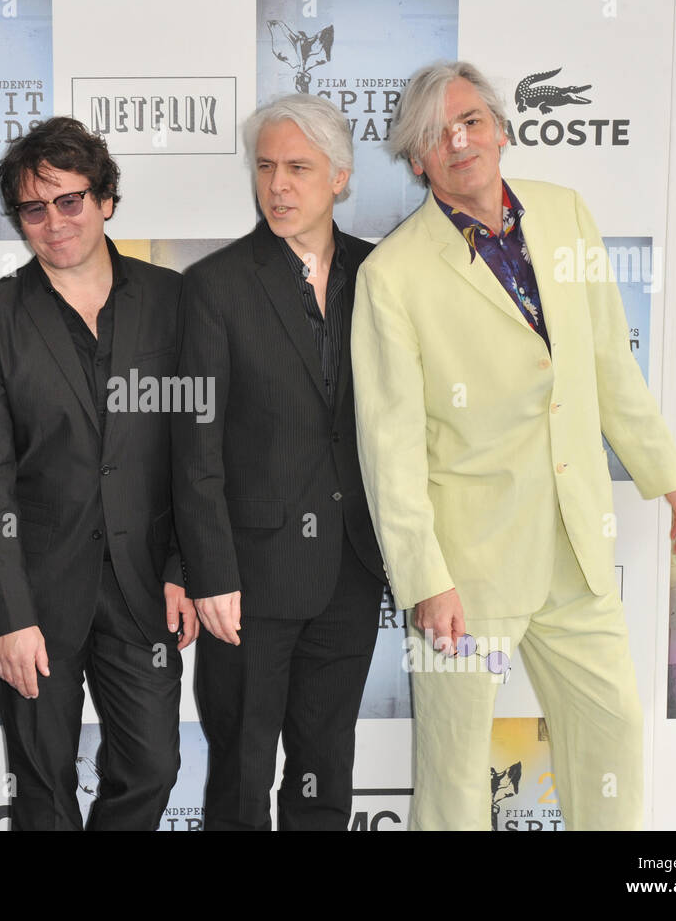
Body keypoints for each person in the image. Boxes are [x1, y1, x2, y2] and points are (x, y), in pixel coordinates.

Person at [352, 60, 676, 830]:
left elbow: (610, 362)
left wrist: (668, 476)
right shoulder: (392, 275)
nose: (460, 140)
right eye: (437, 135)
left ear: (501, 129)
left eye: (472, 120)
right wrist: (424, 579)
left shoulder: (565, 213)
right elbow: (391, 448)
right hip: (465, 569)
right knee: (452, 775)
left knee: (611, 732)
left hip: (575, 542)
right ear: (417, 161)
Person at [0, 116, 197, 831]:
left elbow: (193, 453)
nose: (54, 221)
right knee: (42, 786)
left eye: (70, 200)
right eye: (34, 207)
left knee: (152, 766)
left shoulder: (174, 301)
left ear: (106, 200)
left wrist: (182, 565)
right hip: (37, 592)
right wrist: (8, 615)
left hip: (144, 586)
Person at [172, 94, 387, 831]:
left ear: (341, 177)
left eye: (299, 167)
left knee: (326, 768)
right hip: (249, 582)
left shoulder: (383, 275)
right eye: (265, 167)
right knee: (240, 777)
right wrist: (211, 573)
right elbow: (192, 447)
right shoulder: (214, 287)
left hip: (353, 569)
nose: (278, 185)